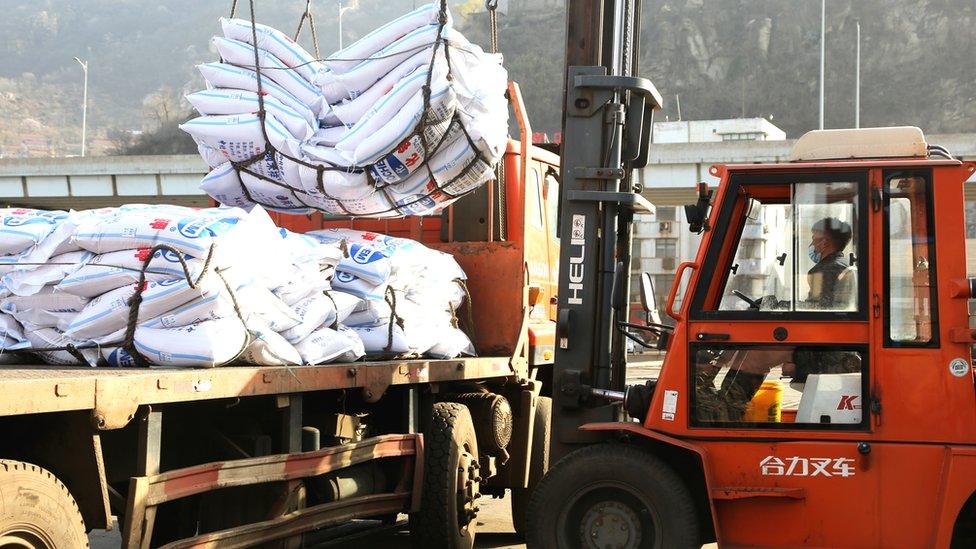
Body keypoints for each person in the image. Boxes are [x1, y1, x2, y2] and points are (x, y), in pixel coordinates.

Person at [806, 217, 853, 309]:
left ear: (824, 243)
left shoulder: (822, 271)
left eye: (814, 239)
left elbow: (817, 309)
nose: (812, 244)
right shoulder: (847, 264)